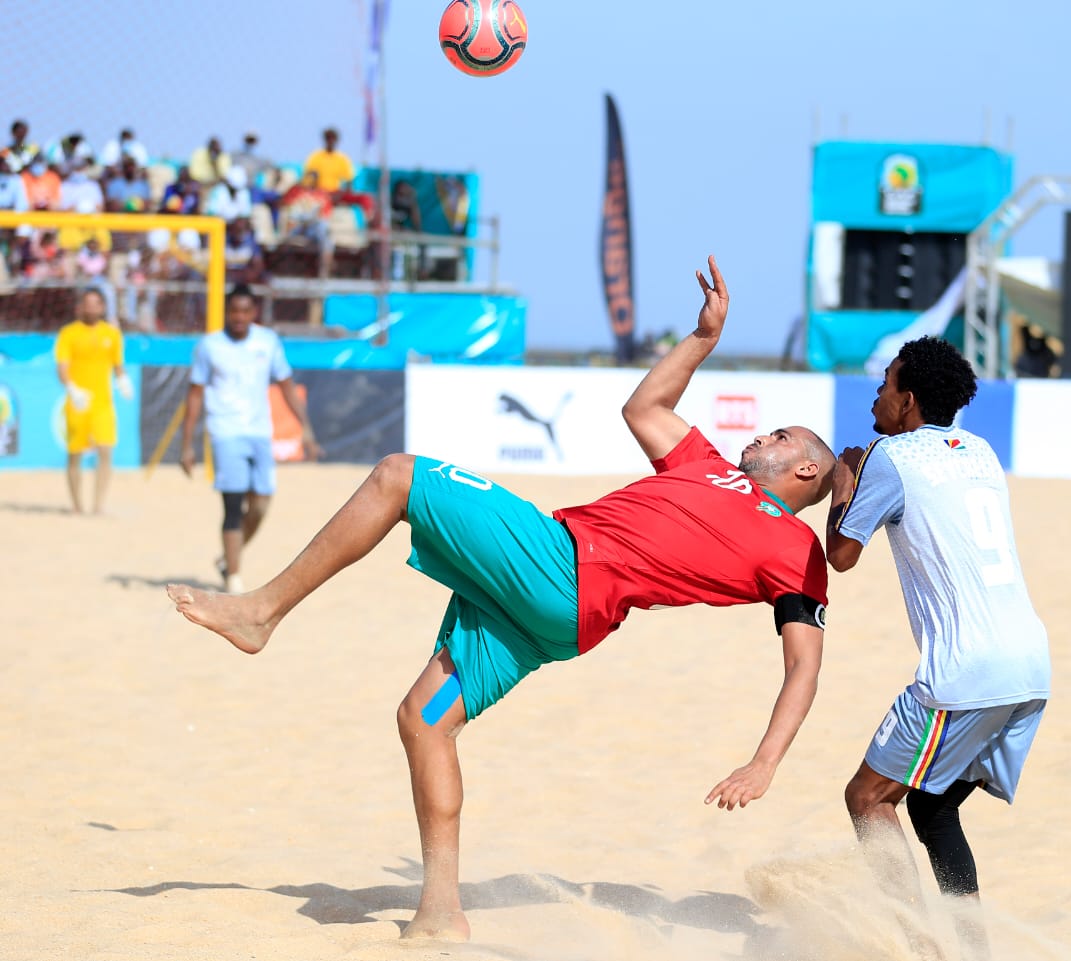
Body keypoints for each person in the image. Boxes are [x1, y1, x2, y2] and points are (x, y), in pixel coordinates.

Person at [166, 256, 836, 942]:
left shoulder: (795, 549)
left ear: (807, 468)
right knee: (424, 720)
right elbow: (643, 409)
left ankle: (261, 611)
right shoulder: (707, 467)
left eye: (780, 436)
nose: (760, 435)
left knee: (398, 476)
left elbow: (804, 666)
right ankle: (440, 911)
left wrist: (765, 760)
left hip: (561, 567)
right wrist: (702, 339)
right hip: (554, 618)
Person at [826, 336, 1051, 960]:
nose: (878, 392)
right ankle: (972, 951)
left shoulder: (889, 456)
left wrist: (845, 481)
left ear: (910, 400)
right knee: (930, 806)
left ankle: (924, 951)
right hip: (1030, 666)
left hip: (964, 673)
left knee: (867, 798)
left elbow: (840, 558)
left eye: (887, 382)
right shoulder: (979, 450)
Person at [178, 285, 319, 594]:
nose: (239, 317)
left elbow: (285, 384)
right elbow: (195, 394)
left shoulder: (267, 342)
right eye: (234, 311)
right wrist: (187, 444)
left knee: (261, 505)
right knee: (232, 504)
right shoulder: (209, 346)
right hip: (225, 432)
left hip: (259, 432)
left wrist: (305, 427)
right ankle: (233, 576)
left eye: (245, 311)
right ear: (226, 312)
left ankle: (229, 558)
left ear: (253, 313)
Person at [54, 288, 133, 514]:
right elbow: (62, 368)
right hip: (77, 403)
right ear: (80, 307)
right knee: (75, 454)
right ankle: (77, 506)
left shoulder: (112, 334)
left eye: (95, 303)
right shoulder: (68, 333)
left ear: (102, 307)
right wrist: (72, 389)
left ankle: (98, 505)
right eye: (86, 303)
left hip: (102, 403)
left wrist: (123, 380)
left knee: (106, 451)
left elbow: (118, 366)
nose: (90, 308)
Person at [303, 126, 355, 195]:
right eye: (328, 138)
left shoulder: (342, 159)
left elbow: (349, 180)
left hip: (336, 193)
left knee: (365, 198)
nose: (330, 141)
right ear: (325, 139)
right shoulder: (315, 157)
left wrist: (346, 194)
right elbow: (308, 176)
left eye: (333, 138)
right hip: (319, 191)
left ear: (336, 140)